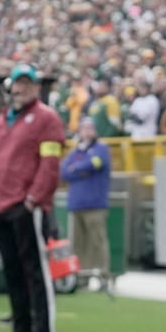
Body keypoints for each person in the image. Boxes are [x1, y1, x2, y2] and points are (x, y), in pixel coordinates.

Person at [0, 63, 66, 332]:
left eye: (28, 83)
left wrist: (33, 199)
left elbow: (50, 165)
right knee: (13, 273)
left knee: (34, 272)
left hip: (24, 205)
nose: (22, 88)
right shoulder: (6, 117)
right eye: (18, 83)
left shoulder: (47, 118)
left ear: (37, 87)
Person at [60, 118, 112, 291]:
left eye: (90, 128)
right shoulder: (75, 151)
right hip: (77, 204)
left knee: (97, 241)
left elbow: (94, 163)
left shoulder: (101, 149)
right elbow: (64, 170)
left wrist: (78, 169)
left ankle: (103, 276)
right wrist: (79, 169)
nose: (87, 132)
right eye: (84, 128)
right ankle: (81, 278)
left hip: (95, 203)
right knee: (78, 244)